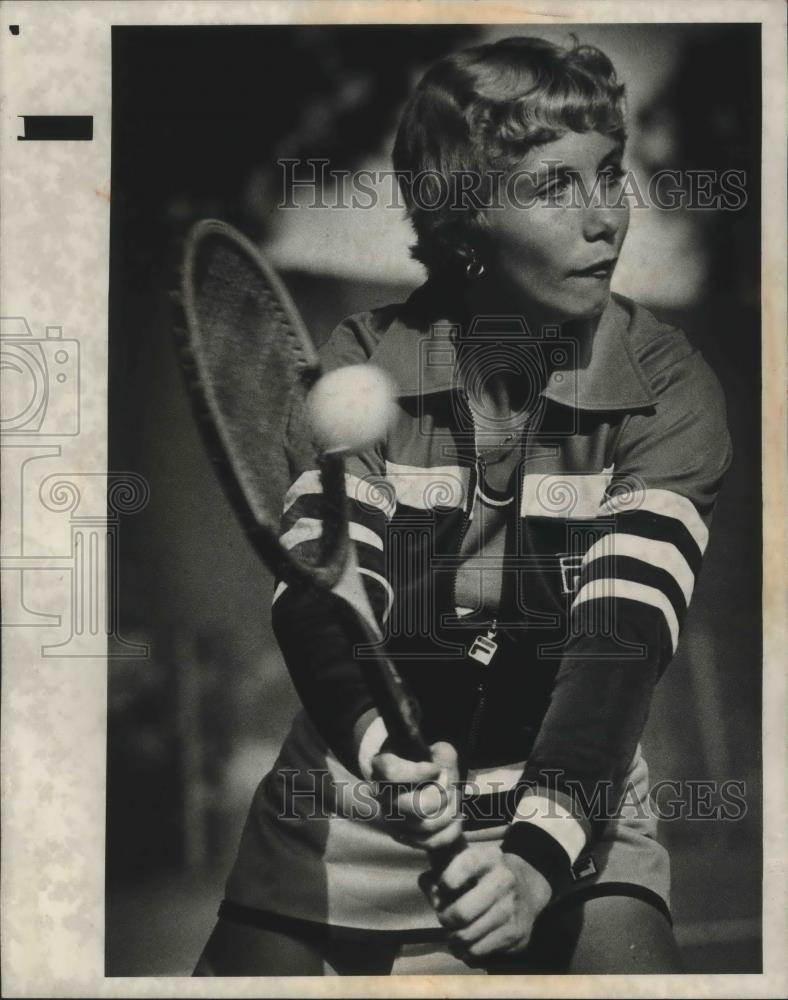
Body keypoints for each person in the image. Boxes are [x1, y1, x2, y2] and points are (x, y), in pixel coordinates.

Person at [195, 34, 732, 976]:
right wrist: (378, 749)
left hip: (572, 800)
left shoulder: (667, 385)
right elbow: (322, 598)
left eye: (607, 175)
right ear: (466, 214)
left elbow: (619, 642)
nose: (606, 217)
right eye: (554, 187)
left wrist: (529, 867)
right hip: (355, 801)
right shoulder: (357, 366)